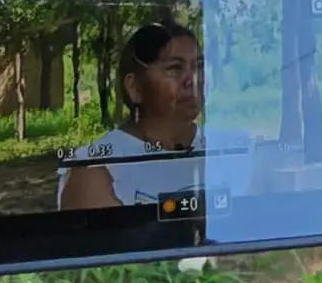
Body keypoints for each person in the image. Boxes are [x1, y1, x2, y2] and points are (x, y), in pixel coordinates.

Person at [57, 19, 249, 211]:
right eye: (175, 68)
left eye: (198, 66)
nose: (193, 80)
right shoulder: (95, 170)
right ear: (134, 87)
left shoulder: (235, 149)